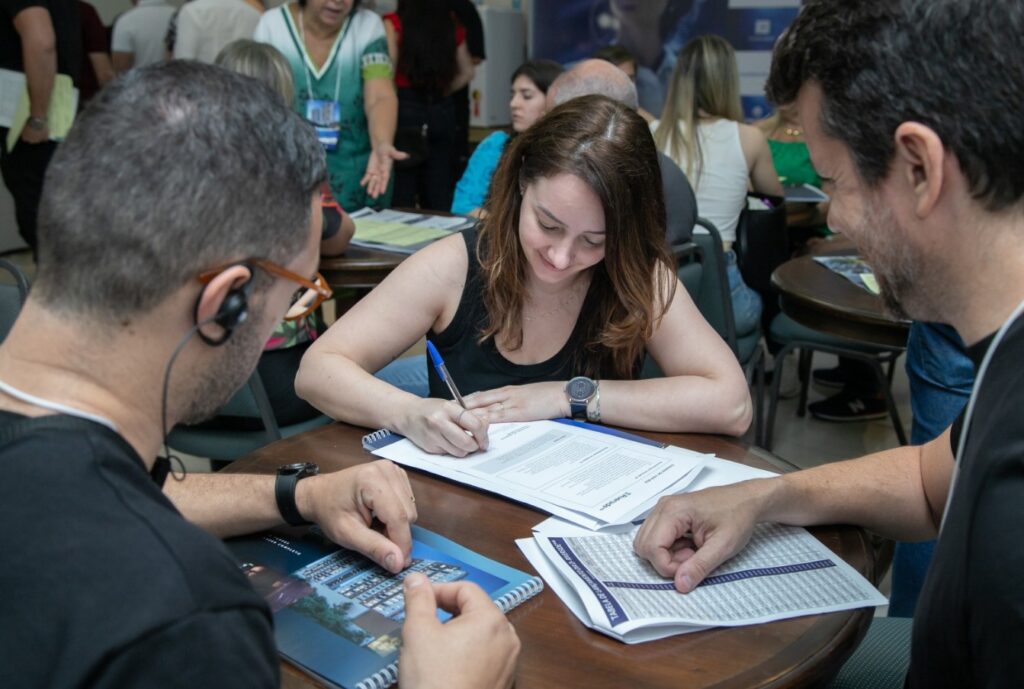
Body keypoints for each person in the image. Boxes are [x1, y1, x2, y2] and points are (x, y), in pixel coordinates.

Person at [0, 61, 519, 688]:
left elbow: (101, 495)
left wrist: (296, 496)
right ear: (227, 304)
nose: (297, 308)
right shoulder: (185, 619)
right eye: (298, 293)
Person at [635, 1, 1024, 686]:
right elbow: (934, 479)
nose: (834, 212)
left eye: (836, 181)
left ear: (919, 168)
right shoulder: (1002, 353)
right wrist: (761, 498)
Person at [296, 95, 751, 457]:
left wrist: (567, 396)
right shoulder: (454, 267)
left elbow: (731, 404)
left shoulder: (636, 275)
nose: (560, 256)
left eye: (594, 240)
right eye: (548, 225)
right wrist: (409, 412)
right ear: (520, 186)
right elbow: (318, 369)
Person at [213, 38, 354, 427]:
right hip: (275, 387)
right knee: (355, 366)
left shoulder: (184, 153)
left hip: (190, 391)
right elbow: (338, 234)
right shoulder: (294, 155)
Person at [652, 34, 782, 337]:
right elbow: (773, 200)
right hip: (724, 300)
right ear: (727, 81)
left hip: (657, 297)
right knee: (759, 303)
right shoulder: (749, 139)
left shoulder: (652, 134)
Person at [254, 0, 406, 210]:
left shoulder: (367, 26)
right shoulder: (272, 25)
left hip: (359, 177)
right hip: (288, 175)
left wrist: (382, 143)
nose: (337, 2)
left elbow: (380, 95)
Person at [548, 58, 697, 247]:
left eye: (555, 119)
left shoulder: (603, 180)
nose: (548, 132)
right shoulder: (667, 170)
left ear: (597, 118)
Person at [0, 0, 80, 255]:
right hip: (60, 114)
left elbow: (42, 41)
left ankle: (55, 292)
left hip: (34, 122)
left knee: (41, 220)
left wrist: (38, 117)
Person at [383, 0, 474, 210]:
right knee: (439, 189)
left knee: (402, 190)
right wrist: (443, 92)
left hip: (404, 109)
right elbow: (467, 71)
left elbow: (387, 73)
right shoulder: (451, 25)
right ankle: (441, 241)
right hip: (441, 110)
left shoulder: (394, 23)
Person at [450, 58, 563, 218]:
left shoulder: (567, 154)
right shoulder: (496, 145)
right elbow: (462, 206)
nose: (513, 103)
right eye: (513, 94)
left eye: (526, 96)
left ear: (553, 101)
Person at [172, 0, 261, 63]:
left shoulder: (192, 12)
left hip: (201, 84)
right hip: (241, 85)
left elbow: (183, 62)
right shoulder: (254, 14)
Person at [592, 44, 654, 123]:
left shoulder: (648, 124)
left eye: (630, 78)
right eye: (617, 79)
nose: (625, 85)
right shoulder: (583, 120)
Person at [111, 0, 176, 73]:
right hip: (178, 81)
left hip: (140, 82)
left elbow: (121, 70)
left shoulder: (125, 22)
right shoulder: (178, 16)